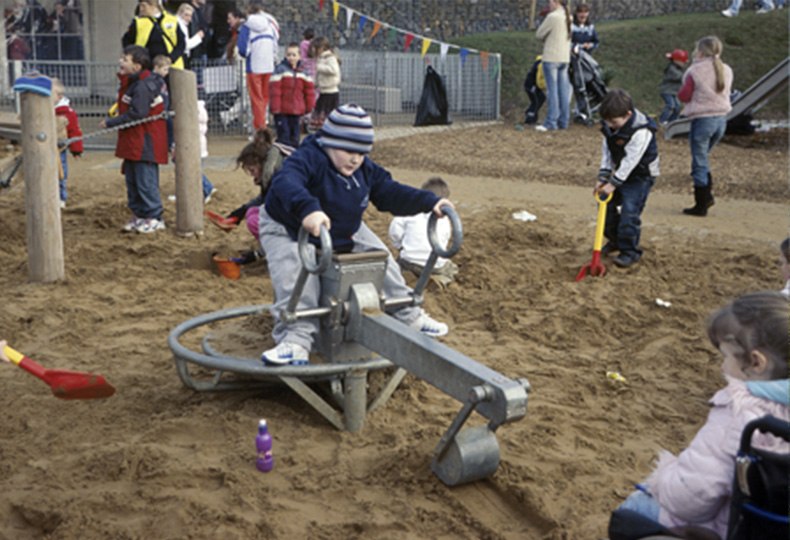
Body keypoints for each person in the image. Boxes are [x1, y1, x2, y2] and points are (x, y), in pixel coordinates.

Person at [258, 104, 452, 365]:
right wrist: (308, 210)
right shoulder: (310, 157)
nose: (355, 159)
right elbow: (286, 182)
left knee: (381, 259)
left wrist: (429, 202)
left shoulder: (364, 169)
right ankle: (296, 339)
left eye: (361, 153)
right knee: (297, 274)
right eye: (348, 151)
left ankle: (408, 314)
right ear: (328, 143)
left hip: (340, 225)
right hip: (289, 226)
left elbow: (390, 192)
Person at [612, 291, 789, 538]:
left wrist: (663, 479)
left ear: (756, 362)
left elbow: (690, 499)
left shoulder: (739, 413)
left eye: (726, 357)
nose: (721, 366)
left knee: (634, 509)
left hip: (730, 528)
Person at [100, 45, 168, 234]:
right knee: (132, 180)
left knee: (145, 180)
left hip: (144, 141)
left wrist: (112, 122)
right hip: (133, 140)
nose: (121, 62)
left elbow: (139, 113)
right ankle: (139, 215)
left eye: (125, 59)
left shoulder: (143, 86)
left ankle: (154, 216)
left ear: (137, 66)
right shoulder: (131, 83)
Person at [595, 88, 659, 268]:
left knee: (629, 213)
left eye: (614, 121)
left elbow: (631, 161)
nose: (610, 125)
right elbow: (607, 152)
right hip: (619, 173)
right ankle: (615, 240)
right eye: (607, 121)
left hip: (640, 175)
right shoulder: (610, 125)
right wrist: (602, 177)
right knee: (604, 207)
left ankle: (630, 251)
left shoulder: (641, 130)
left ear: (628, 115)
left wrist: (613, 184)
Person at [677, 36, 733, 217]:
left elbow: (684, 96)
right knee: (703, 159)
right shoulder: (726, 69)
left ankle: (702, 202)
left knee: (699, 161)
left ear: (700, 51)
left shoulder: (695, 71)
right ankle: (705, 196)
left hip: (703, 120)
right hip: (722, 120)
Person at [210, 129, 291, 243]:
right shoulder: (274, 164)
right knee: (251, 212)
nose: (252, 175)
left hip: (297, 218)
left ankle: (274, 246)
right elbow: (263, 198)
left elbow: (272, 202)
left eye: (252, 170)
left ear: (260, 163)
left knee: (254, 220)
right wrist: (239, 213)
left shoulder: (279, 175)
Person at [389, 177, 460, 288]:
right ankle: (441, 280)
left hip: (410, 261)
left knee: (397, 266)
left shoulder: (409, 211)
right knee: (451, 269)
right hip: (435, 265)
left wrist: (400, 246)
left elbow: (394, 232)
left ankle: (406, 276)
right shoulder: (446, 219)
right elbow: (445, 240)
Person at [238, 0, 279, 131]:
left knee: (256, 99)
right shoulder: (270, 24)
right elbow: (276, 41)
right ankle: (265, 124)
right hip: (269, 65)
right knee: (266, 98)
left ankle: (259, 128)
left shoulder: (246, 26)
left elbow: (242, 49)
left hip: (254, 66)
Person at [269, 42, 316, 148]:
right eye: (289, 54)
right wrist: (275, 108)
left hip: (297, 111)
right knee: (283, 136)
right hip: (282, 111)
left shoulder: (304, 73)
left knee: (295, 137)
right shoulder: (280, 70)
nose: (291, 57)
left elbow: (309, 92)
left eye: (294, 55)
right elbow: (275, 91)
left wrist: (308, 107)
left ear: (299, 56)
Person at [535, 0, 572, 132]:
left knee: (552, 91)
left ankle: (551, 121)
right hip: (564, 58)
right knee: (563, 91)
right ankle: (563, 121)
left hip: (551, 57)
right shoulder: (569, 17)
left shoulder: (552, 17)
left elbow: (539, 34)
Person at [122, 0, 186, 70]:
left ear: (153, 6)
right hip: (147, 67)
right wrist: (137, 59)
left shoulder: (172, 20)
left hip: (172, 66)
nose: (141, 9)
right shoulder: (138, 23)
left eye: (143, 6)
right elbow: (127, 41)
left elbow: (181, 43)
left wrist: (171, 58)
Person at [52, 77, 83, 209]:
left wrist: (76, 149)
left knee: (60, 173)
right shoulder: (45, 108)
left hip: (59, 148)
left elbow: (74, 131)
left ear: (59, 96)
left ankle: (61, 197)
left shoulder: (66, 112)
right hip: (44, 148)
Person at [309, 36, 340, 131]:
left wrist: (320, 67)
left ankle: (329, 128)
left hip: (331, 91)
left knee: (328, 112)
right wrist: (315, 83)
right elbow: (319, 75)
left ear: (322, 48)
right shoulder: (320, 58)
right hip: (323, 90)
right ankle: (319, 127)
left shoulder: (330, 58)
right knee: (318, 110)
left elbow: (333, 70)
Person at [658, 49, 688, 125]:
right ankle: (662, 121)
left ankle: (672, 121)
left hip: (675, 92)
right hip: (667, 91)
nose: (684, 64)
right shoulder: (671, 69)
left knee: (677, 107)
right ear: (676, 61)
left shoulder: (679, 69)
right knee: (670, 105)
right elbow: (679, 77)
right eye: (683, 62)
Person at [176, 3, 205, 69]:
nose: (189, 18)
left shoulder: (183, 25)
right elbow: (185, 45)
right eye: (186, 15)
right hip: (181, 57)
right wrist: (198, 37)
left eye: (190, 16)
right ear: (180, 13)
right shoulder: (179, 25)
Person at [523, 55, 546, 125]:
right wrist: (543, 86)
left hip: (535, 85)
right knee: (535, 101)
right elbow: (539, 78)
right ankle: (529, 118)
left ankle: (531, 113)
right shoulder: (541, 64)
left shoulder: (539, 62)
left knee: (541, 98)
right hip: (531, 85)